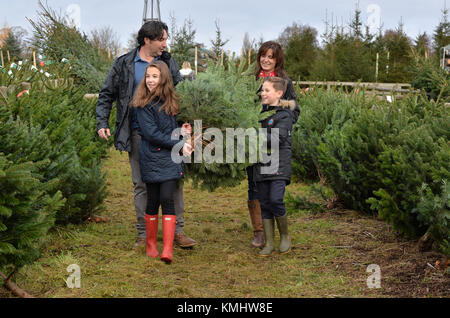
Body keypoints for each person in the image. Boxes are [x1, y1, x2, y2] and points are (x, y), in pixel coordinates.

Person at [96, 20, 196, 249]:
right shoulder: (124, 64)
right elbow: (107, 94)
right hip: (137, 133)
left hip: (169, 132)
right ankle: (144, 234)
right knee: (141, 183)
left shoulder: (168, 62)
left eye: (165, 39)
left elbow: (182, 93)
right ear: (147, 40)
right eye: (161, 39)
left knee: (174, 180)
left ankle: (178, 231)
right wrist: (102, 121)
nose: (165, 43)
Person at [131, 61, 193, 264]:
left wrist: (182, 129)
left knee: (168, 197)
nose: (150, 80)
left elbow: (169, 128)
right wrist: (179, 144)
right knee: (153, 199)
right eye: (148, 76)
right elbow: (152, 134)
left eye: (154, 76)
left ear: (163, 78)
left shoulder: (171, 102)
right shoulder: (142, 104)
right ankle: (150, 244)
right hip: (151, 156)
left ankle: (167, 249)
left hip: (169, 158)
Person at [246, 41, 300, 248]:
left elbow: (294, 108)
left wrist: (281, 124)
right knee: (254, 183)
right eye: (263, 55)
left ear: (277, 59)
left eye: (271, 56)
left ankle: (279, 232)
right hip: (253, 140)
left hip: (275, 142)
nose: (266, 60)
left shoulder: (284, 81)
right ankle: (260, 232)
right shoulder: (250, 80)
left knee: (274, 188)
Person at [255, 76, 295, 257]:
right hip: (262, 163)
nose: (263, 93)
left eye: (267, 90)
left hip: (279, 163)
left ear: (279, 93)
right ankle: (270, 242)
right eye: (262, 90)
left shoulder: (285, 115)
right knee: (264, 202)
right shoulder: (259, 114)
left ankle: (284, 235)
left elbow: (278, 138)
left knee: (275, 199)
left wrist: (255, 138)